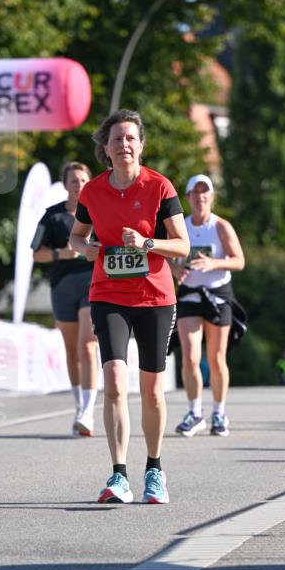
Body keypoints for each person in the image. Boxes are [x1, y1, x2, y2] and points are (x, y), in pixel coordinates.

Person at [69, 109, 190, 504]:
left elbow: (183, 245)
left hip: (155, 296)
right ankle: (119, 474)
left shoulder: (160, 187)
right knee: (116, 384)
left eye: (130, 138)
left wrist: (147, 244)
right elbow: (77, 237)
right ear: (105, 147)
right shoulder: (92, 192)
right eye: (117, 138)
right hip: (109, 295)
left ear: (141, 145)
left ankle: (154, 470)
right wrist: (85, 249)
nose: (124, 145)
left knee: (152, 391)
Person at [169, 174, 245, 437]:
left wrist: (214, 263)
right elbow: (167, 257)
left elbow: (239, 261)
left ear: (211, 197)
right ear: (187, 197)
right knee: (190, 357)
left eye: (205, 192)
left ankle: (220, 412)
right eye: (195, 192)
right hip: (190, 293)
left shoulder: (221, 226)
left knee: (216, 358)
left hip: (218, 295)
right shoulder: (181, 227)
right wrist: (176, 270)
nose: (200, 196)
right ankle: (194, 412)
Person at [32, 161, 99, 436]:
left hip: (93, 284)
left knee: (87, 347)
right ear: (65, 185)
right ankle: (79, 406)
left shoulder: (99, 212)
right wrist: (62, 253)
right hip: (62, 286)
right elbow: (36, 252)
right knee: (72, 352)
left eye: (83, 180)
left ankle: (88, 411)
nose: (79, 184)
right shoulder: (52, 216)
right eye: (74, 180)